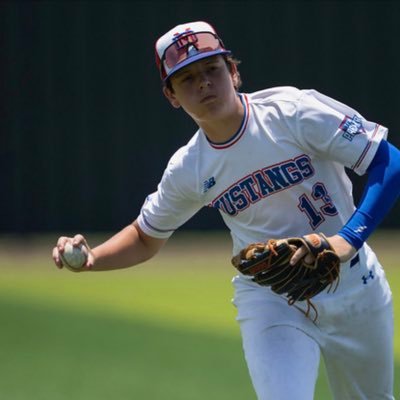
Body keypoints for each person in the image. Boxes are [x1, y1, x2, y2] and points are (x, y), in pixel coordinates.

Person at [52, 21, 400, 399]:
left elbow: (390, 161)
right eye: (187, 78)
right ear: (171, 95)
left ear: (233, 72)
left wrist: (347, 239)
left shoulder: (293, 112)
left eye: (212, 69)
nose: (203, 83)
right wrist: (91, 259)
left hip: (355, 285)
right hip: (272, 298)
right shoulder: (190, 168)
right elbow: (145, 236)